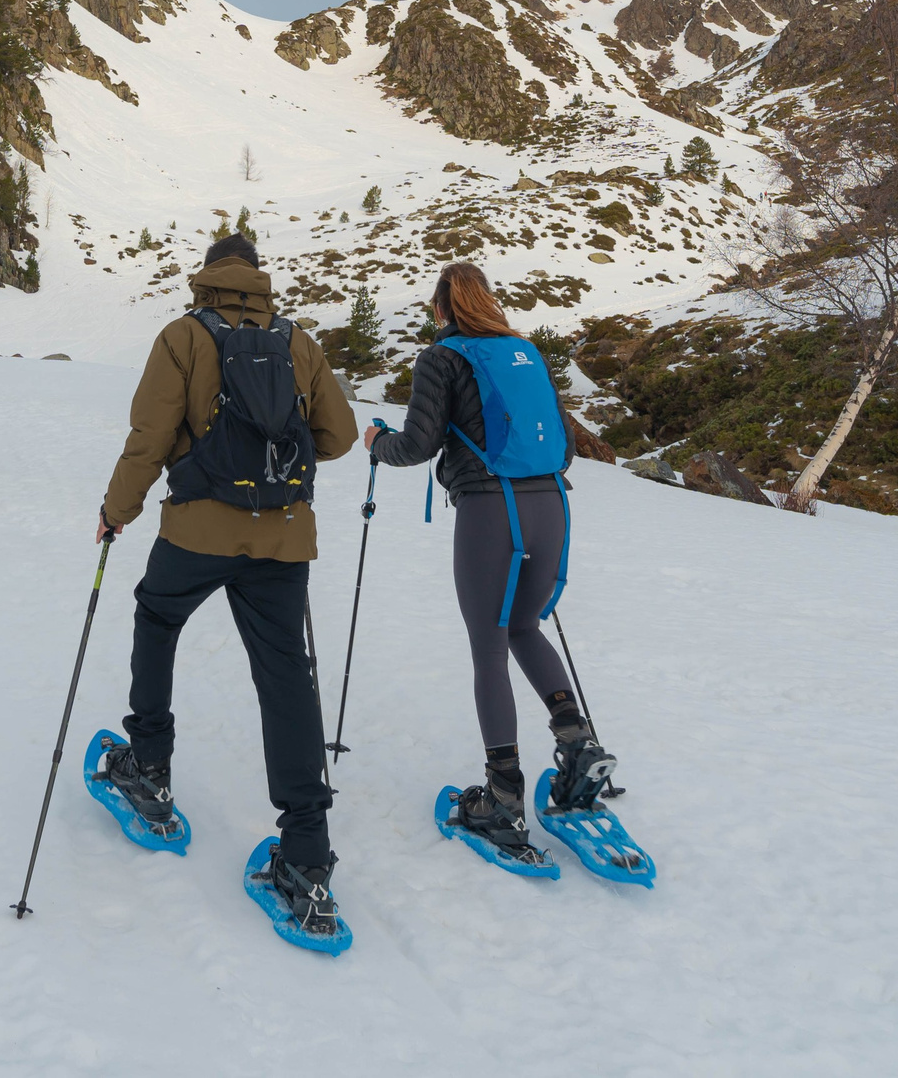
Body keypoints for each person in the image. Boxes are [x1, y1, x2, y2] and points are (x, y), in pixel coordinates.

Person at [93, 234, 359, 941]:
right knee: (285, 677)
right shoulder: (297, 342)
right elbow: (339, 435)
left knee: (157, 618)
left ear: (208, 277)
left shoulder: (183, 335)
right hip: (282, 537)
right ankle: (306, 851)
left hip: (198, 529)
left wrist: (117, 510)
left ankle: (147, 765)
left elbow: (149, 437)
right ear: (258, 279)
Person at [364, 261, 615, 858]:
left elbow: (418, 445)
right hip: (551, 503)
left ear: (441, 308)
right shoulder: (526, 353)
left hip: (489, 511)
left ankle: (502, 796)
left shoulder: (441, 357)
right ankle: (578, 747)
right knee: (526, 626)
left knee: (489, 641)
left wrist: (377, 444)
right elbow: (566, 443)